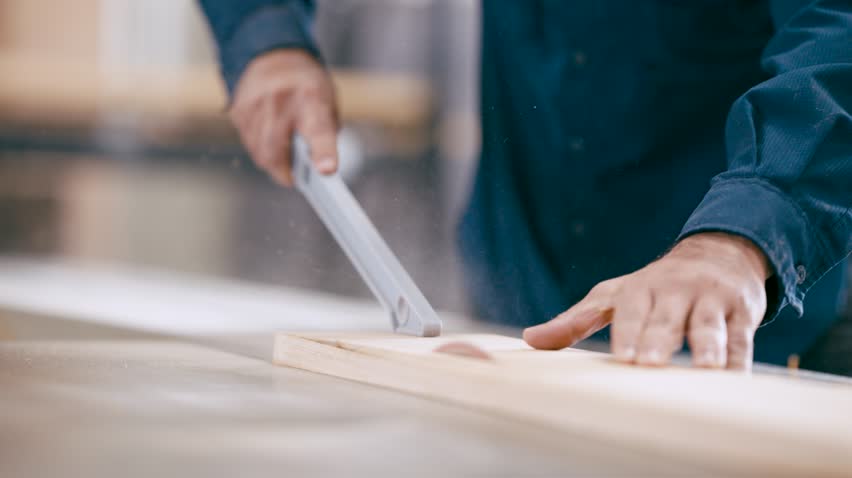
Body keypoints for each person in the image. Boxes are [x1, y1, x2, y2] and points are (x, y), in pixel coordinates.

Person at [199, 1, 851, 370]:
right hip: (520, 309)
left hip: (776, 327)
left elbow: (837, 37)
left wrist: (739, 238)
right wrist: (268, 35)